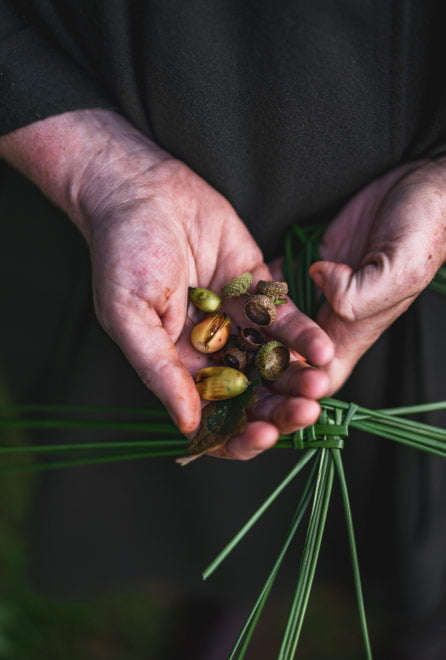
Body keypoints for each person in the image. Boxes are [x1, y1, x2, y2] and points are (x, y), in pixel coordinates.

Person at [1, 1, 446, 658]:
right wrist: (97, 165)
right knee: (204, 460)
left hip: (416, 219)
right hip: (113, 148)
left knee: (420, 511)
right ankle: (219, 587)